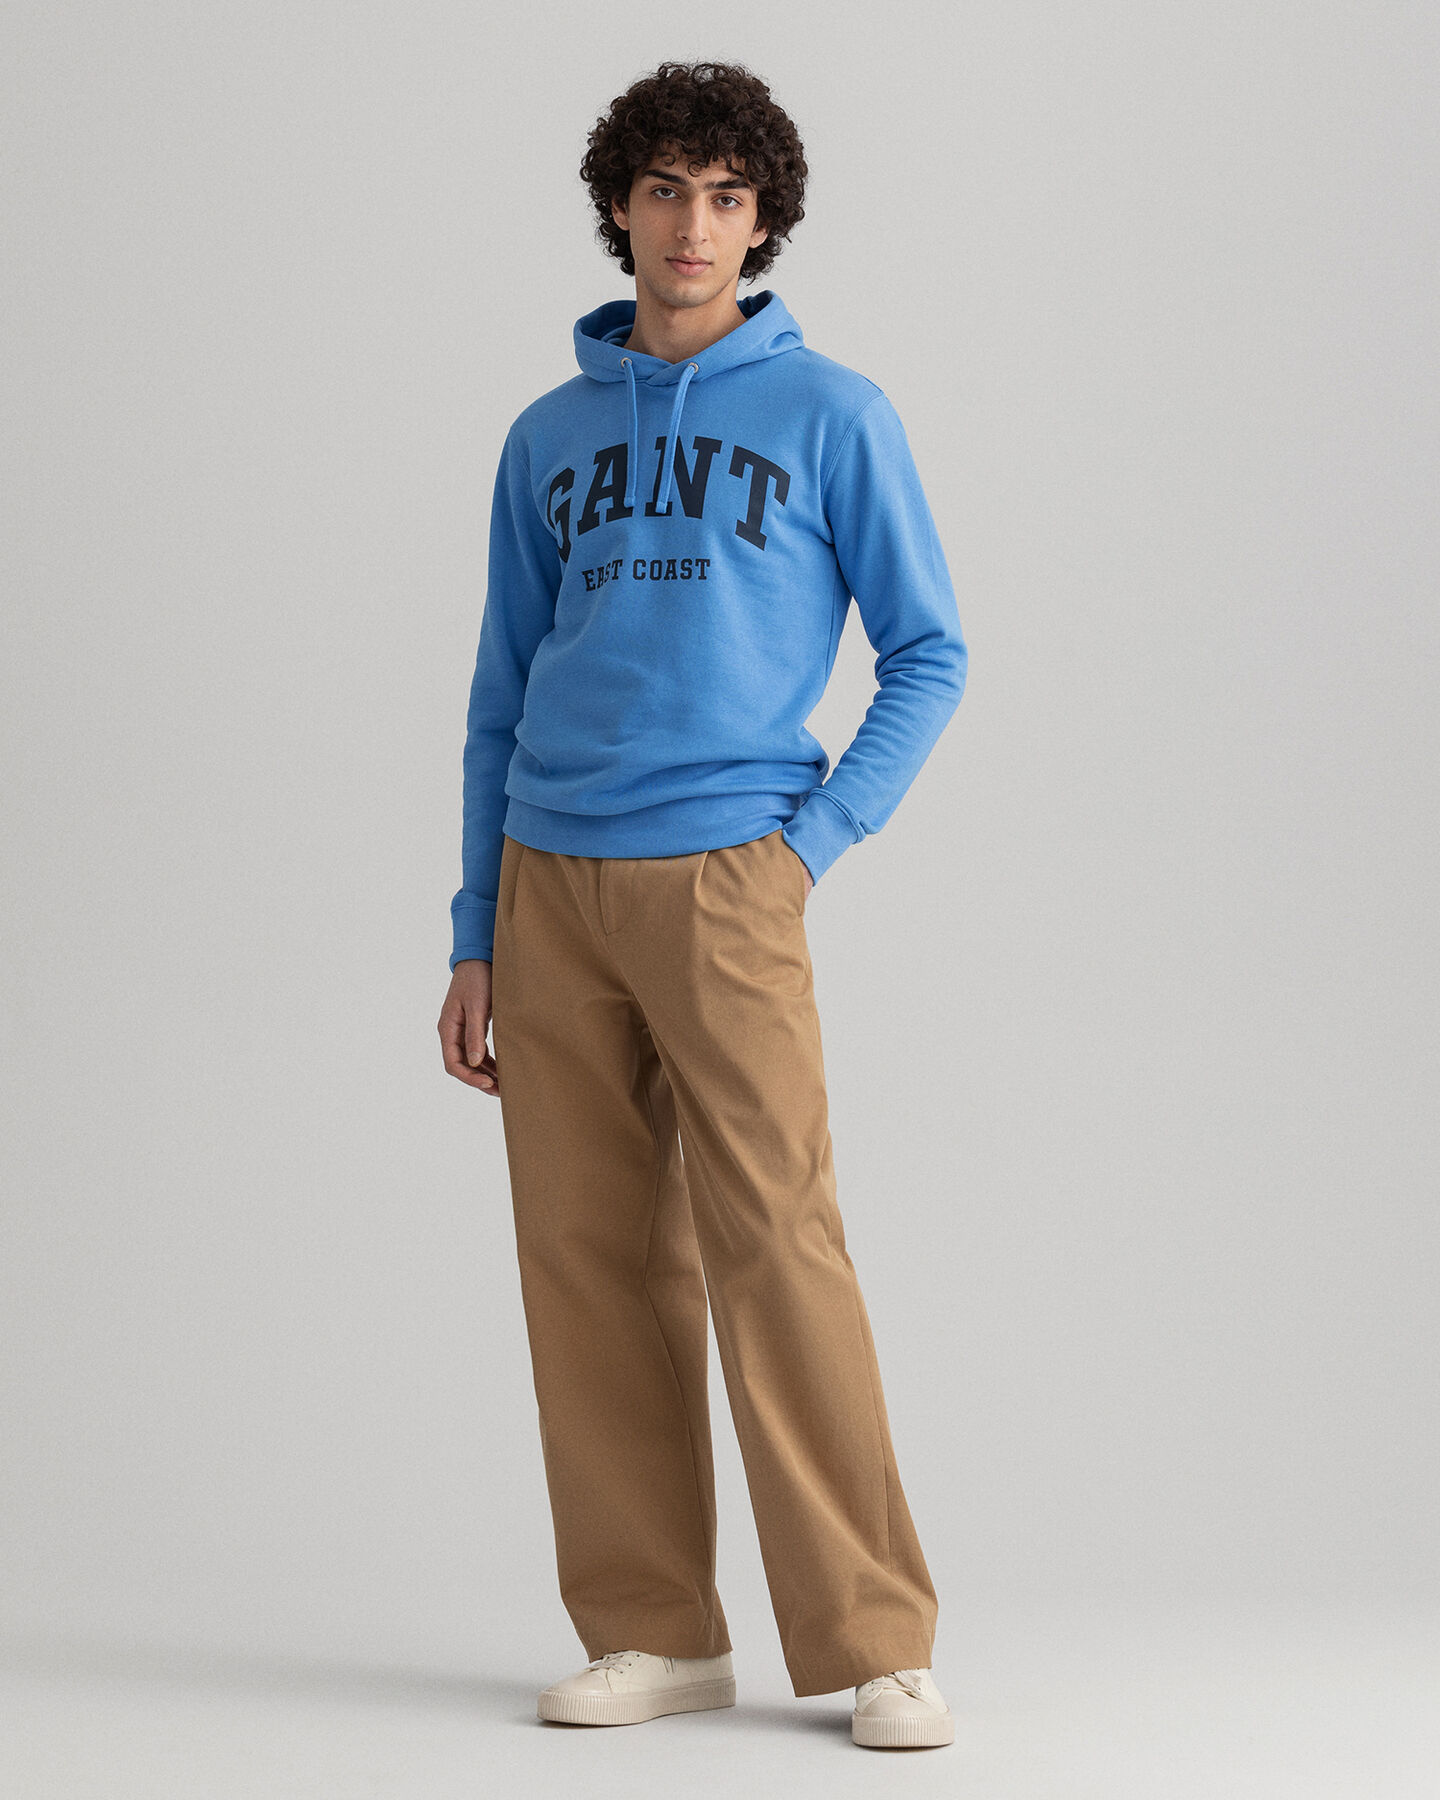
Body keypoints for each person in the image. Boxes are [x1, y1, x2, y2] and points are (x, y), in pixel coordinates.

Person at [437, 59, 968, 1751]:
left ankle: (877, 1637)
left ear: (763, 223)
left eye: (727, 196)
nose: (693, 225)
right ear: (620, 206)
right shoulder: (548, 435)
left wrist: (811, 844)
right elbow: (499, 693)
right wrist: (474, 928)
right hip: (549, 884)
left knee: (778, 1244)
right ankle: (652, 1630)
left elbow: (931, 650)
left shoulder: (833, 414)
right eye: (665, 188)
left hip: (732, 874)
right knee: (588, 1262)